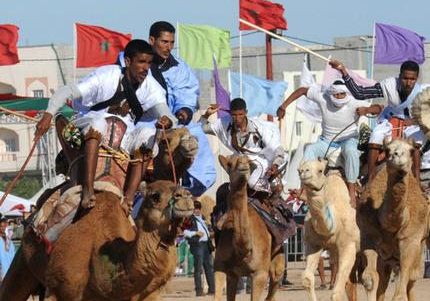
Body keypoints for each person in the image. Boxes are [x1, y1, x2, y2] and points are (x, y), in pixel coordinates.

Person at [34, 39, 174, 209]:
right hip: (91, 124)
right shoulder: (106, 75)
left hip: (124, 137)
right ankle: (87, 190)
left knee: (148, 134)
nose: (146, 68)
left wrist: (167, 120)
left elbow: (165, 112)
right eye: (141, 62)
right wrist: (48, 115)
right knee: (99, 123)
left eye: (149, 63)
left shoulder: (151, 87)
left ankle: (128, 199)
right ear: (128, 61)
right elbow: (66, 91)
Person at [121, 21, 216, 195]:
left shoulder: (180, 68)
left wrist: (185, 111)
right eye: (165, 42)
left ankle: (187, 193)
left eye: (172, 43)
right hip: (141, 121)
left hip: (171, 121)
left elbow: (187, 95)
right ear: (152, 40)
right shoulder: (130, 59)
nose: (169, 47)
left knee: (197, 135)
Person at [277, 80, 381, 207]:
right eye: (335, 94)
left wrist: (367, 109)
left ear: (346, 93)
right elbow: (303, 90)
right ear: (331, 93)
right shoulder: (324, 97)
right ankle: (305, 190)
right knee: (310, 150)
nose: (338, 97)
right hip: (326, 142)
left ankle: (352, 191)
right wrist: (283, 106)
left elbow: (379, 108)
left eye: (341, 94)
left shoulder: (355, 100)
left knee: (351, 152)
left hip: (348, 140)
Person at [329, 59, 428, 180]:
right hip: (391, 119)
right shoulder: (388, 86)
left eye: (412, 79)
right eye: (405, 78)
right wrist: (343, 71)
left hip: (414, 122)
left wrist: (414, 121)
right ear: (399, 76)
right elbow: (359, 93)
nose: (408, 83)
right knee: (376, 135)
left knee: (416, 141)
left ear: (417, 78)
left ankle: (417, 180)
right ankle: (370, 178)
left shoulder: (424, 92)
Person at [200, 98, 285, 193]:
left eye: (240, 114)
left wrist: (275, 165)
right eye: (234, 115)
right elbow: (202, 129)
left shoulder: (262, 129)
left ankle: (270, 191)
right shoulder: (223, 123)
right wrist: (207, 114)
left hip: (262, 160)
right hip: (241, 160)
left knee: (253, 183)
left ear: (246, 112)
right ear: (230, 114)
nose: (237, 118)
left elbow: (278, 149)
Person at [183, 201, 215, 296]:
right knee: (198, 268)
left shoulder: (203, 219)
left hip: (206, 244)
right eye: (195, 208)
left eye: (198, 208)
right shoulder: (189, 219)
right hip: (198, 244)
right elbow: (184, 232)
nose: (197, 210)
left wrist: (210, 233)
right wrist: (195, 233)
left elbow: (207, 231)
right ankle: (199, 290)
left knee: (209, 267)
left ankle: (212, 289)